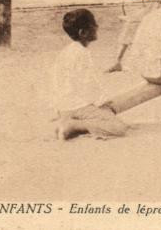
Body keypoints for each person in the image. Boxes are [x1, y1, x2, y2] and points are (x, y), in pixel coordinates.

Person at [52, 9, 129, 140]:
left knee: (106, 112)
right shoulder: (81, 53)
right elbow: (87, 85)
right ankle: (73, 125)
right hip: (77, 107)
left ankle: (68, 122)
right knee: (119, 127)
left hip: (64, 106)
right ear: (83, 33)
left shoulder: (69, 50)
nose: (97, 27)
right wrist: (101, 102)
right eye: (94, 24)